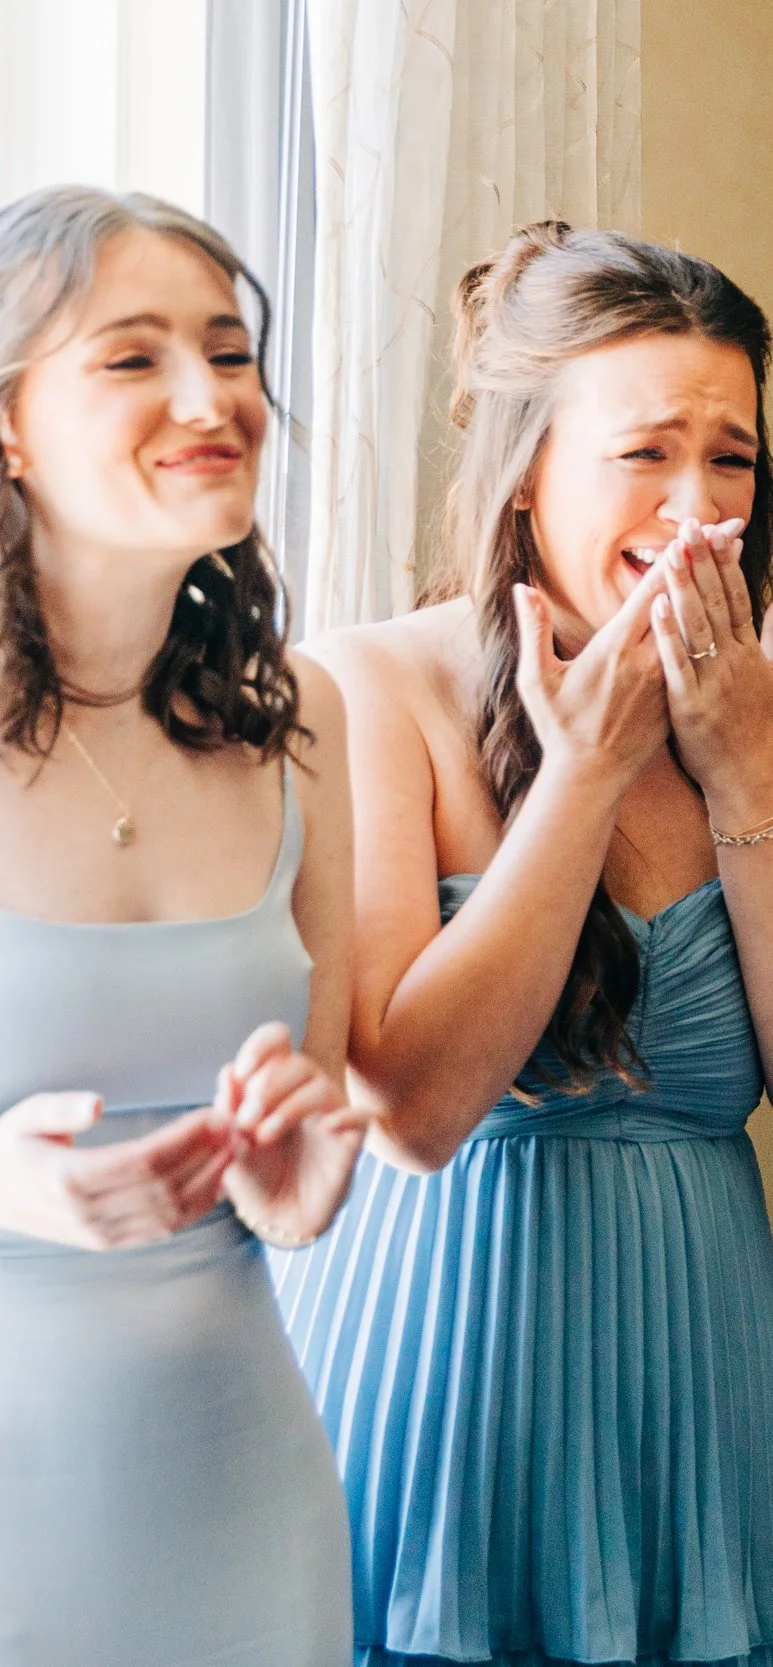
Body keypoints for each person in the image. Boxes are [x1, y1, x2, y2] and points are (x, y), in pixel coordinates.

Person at [269, 222, 773, 1667]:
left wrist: (744, 770)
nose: (699, 508)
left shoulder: (765, 714)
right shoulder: (368, 689)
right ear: (527, 470)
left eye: (731, 459)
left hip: (693, 1425)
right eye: (648, 453)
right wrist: (587, 772)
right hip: (438, 1398)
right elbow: (413, 1104)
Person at [0, 185, 365, 1665]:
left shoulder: (302, 727)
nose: (211, 397)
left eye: (228, 349)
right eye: (132, 356)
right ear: (8, 421)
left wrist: (297, 1176)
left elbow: (317, 1107)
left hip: (237, 1475)